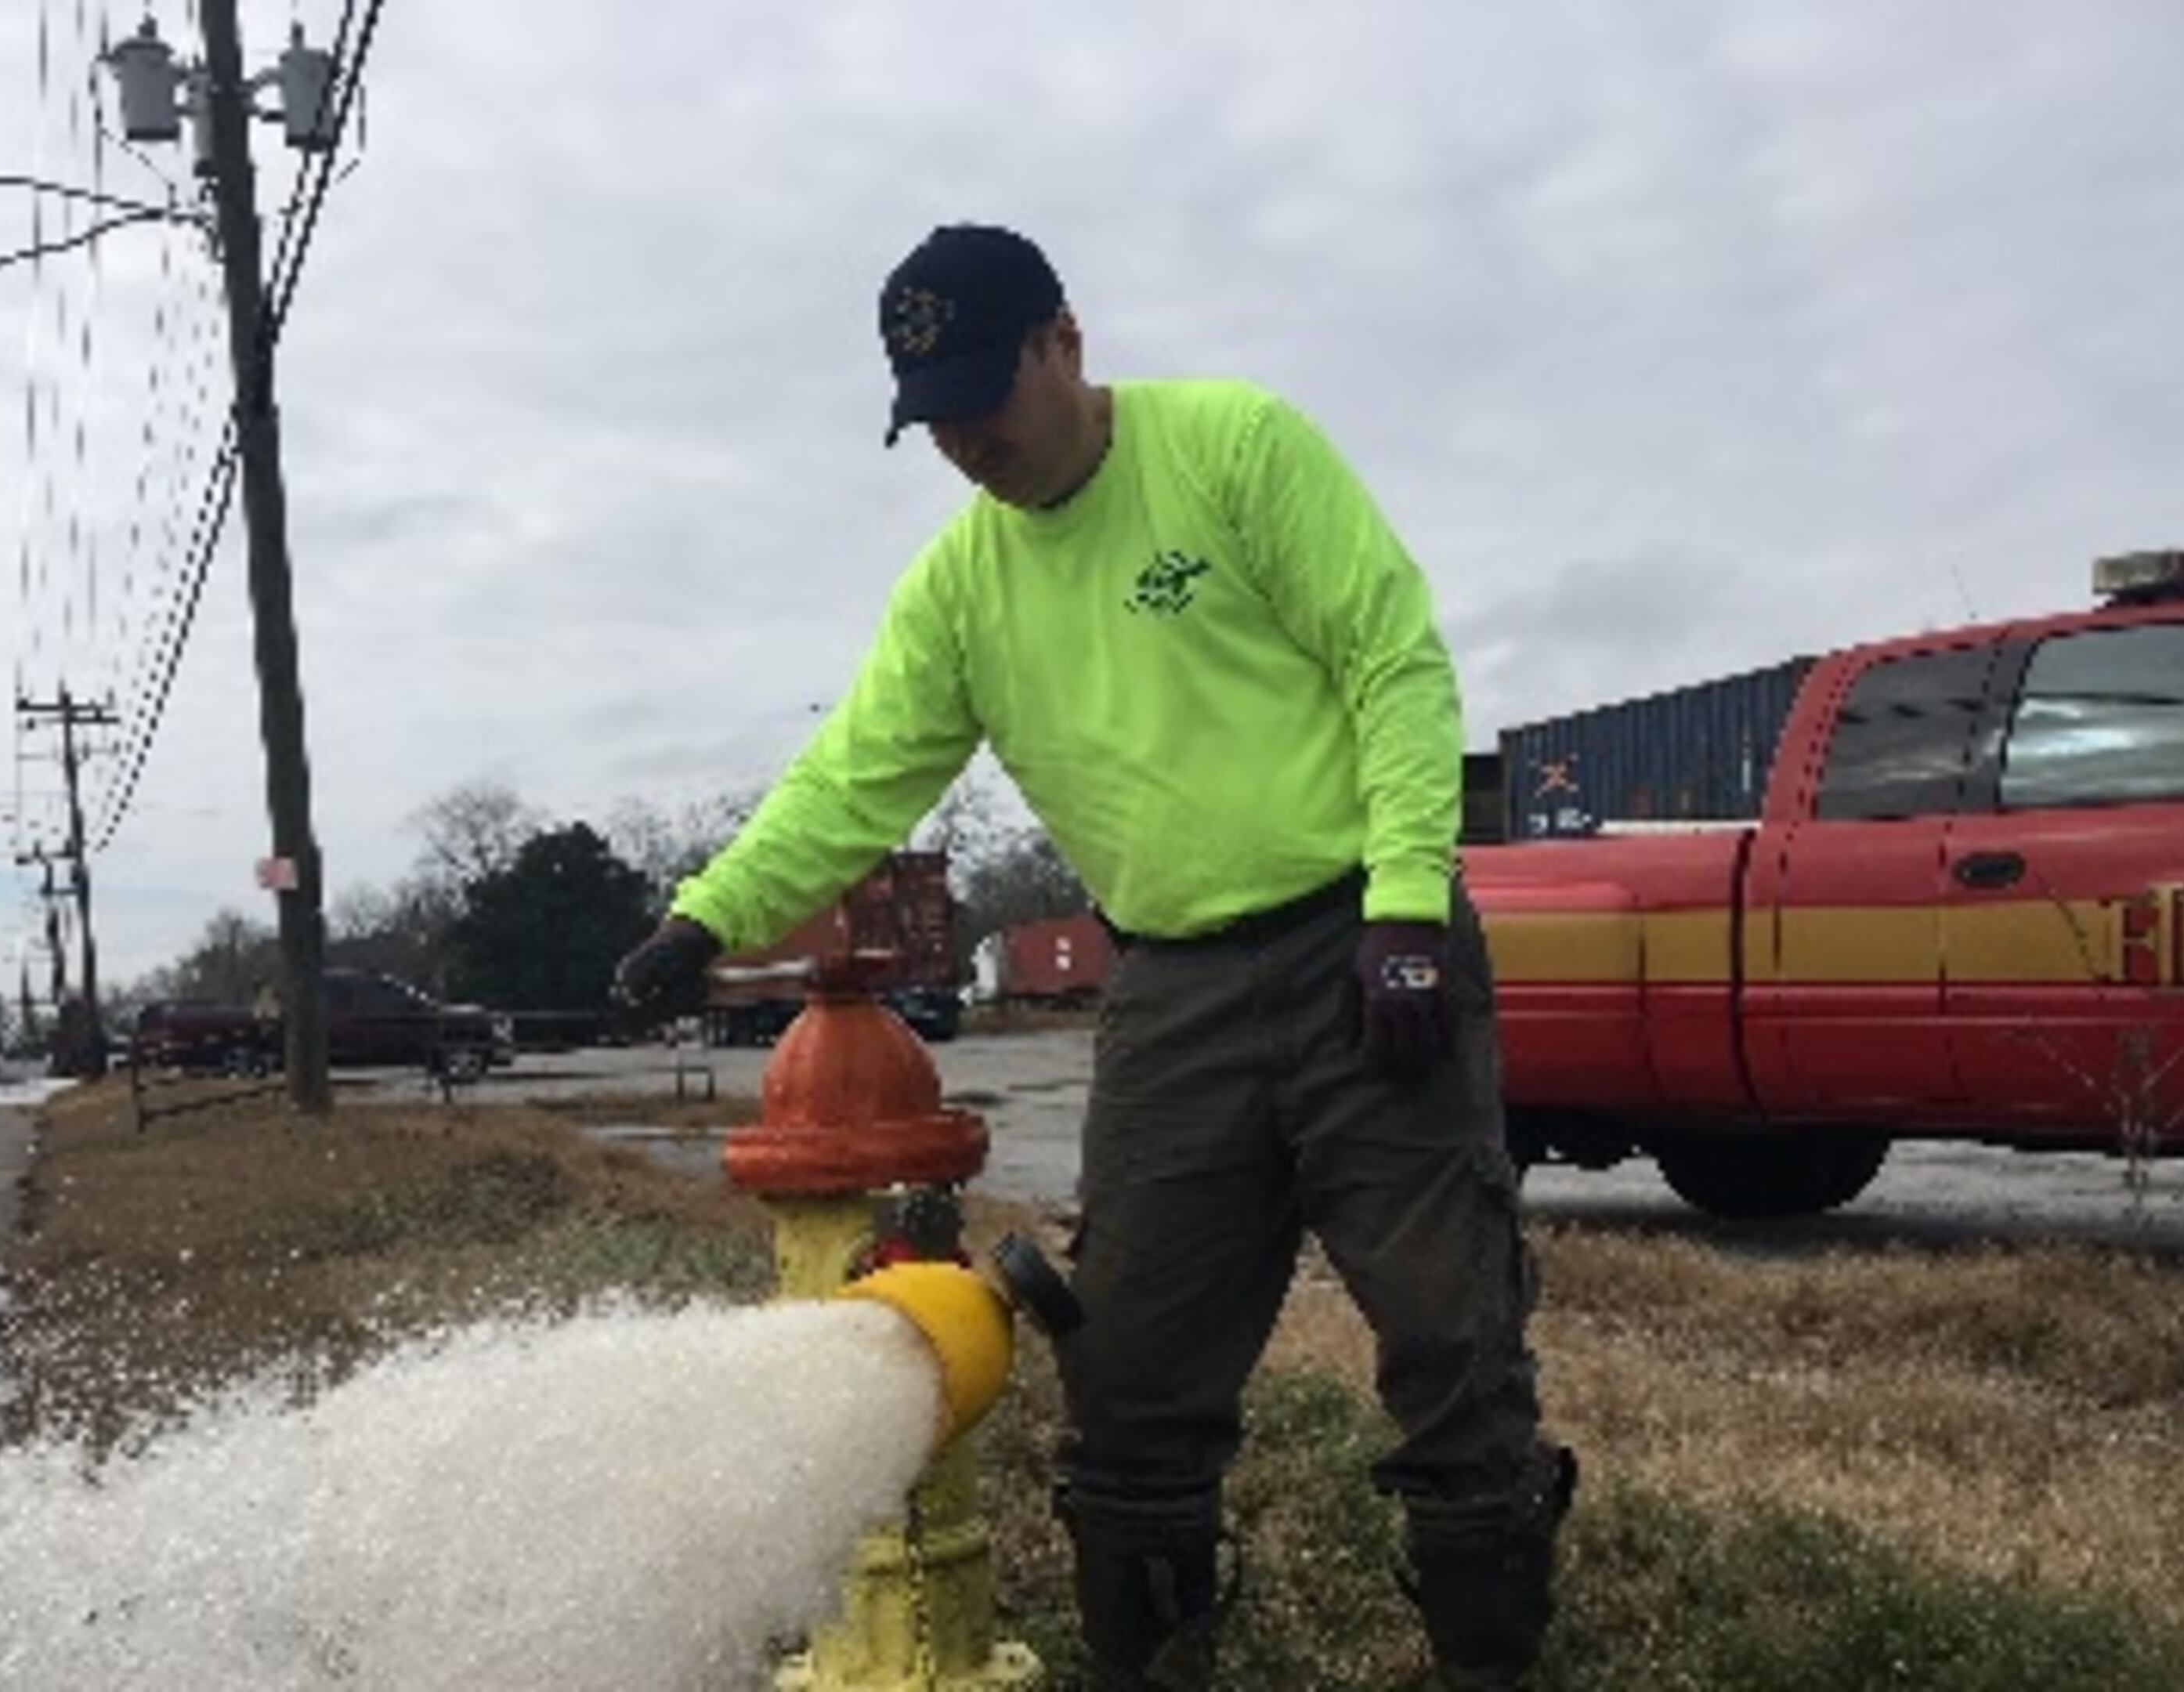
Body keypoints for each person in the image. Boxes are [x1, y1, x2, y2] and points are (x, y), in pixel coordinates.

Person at [613, 223, 1574, 1690]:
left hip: (1362, 947)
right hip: (1175, 995)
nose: (965, 440)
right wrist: (707, 917)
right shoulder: (960, 590)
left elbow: (1392, 660)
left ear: (1066, 341)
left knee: (1452, 1333)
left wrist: (1402, 904)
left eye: (984, 397)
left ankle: (1496, 1667)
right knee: (1125, 1374)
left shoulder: (1234, 447)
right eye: (931, 417)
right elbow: (853, 779)